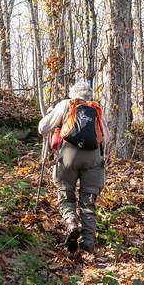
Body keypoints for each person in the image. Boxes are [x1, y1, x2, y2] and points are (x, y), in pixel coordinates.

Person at [38, 81, 108, 255]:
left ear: (72, 94)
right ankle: (87, 244)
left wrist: (50, 115)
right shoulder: (96, 110)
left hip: (68, 154)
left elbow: (43, 128)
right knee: (88, 201)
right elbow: (106, 138)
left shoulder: (65, 105)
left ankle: (70, 221)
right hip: (93, 157)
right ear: (89, 96)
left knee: (65, 194)